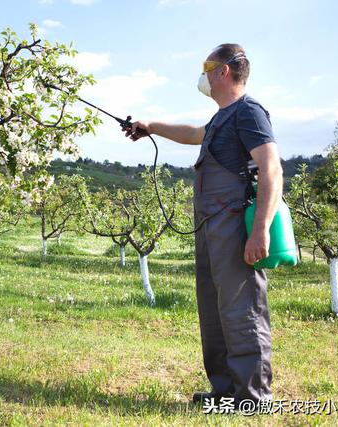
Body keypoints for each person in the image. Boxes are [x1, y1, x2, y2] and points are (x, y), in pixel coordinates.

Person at [124, 43, 283, 407]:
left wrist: (260, 230)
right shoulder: (221, 118)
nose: (203, 74)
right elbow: (194, 133)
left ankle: (253, 398)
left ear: (223, 71)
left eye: (206, 66)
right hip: (211, 228)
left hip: (235, 228)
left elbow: (272, 168)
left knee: (242, 309)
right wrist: (150, 126)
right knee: (213, 310)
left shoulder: (249, 112)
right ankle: (225, 390)